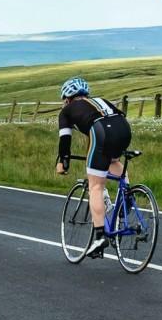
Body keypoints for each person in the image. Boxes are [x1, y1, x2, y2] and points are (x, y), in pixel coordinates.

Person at [54, 77, 132, 258]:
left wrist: (63, 162)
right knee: (113, 160)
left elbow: (65, 139)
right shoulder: (100, 100)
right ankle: (127, 198)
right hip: (123, 129)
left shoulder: (66, 111)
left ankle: (99, 237)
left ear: (67, 98)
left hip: (101, 132)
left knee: (96, 186)